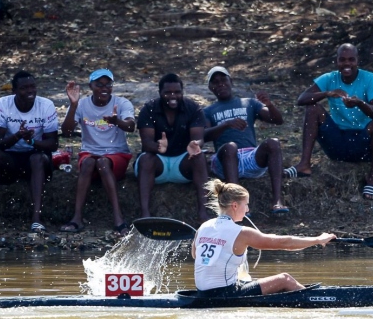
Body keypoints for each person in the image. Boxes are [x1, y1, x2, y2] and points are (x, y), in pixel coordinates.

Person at [192, 179, 336, 297]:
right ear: (235, 205)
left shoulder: (203, 227)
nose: (247, 210)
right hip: (225, 294)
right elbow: (284, 243)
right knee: (284, 279)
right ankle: (317, 302)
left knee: (248, 280)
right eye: (246, 205)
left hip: (203, 294)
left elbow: (195, 255)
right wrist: (318, 239)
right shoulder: (242, 233)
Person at [288, 43, 373, 201]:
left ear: (357, 60)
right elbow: (301, 100)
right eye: (342, 60)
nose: (347, 64)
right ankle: (304, 164)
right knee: (312, 109)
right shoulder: (330, 78)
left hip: (362, 144)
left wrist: (360, 103)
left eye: (351, 59)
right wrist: (328, 92)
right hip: (337, 142)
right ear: (337, 61)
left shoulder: (370, 79)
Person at [0, 70, 59, 232]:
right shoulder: (1, 104)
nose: (30, 91)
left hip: (36, 158)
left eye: (33, 87)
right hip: (11, 158)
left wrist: (31, 141)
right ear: (14, 91)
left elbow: (53, 144)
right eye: (24, 88)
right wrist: (18, 135)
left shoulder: (46, 105)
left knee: (37, 159)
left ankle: (36, 219)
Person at [203, 66, 290, 214]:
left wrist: (269, 105)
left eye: (223, 79)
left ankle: (277, 201)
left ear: (231, 81)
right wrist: (226, 125)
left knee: (273, 142)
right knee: (230, 147)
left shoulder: (249, 103)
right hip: (226, 161)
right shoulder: (208, 111)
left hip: (251, 158)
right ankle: (236, 203)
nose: (220, 84)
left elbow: (277, 120)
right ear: (211, 88)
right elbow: (203, 135)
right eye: (215, 82)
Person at [60, 69, 136, 236]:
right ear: (90, 86)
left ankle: (118, 219)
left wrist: (117, 121)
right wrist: (73, 105)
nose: (104, 88)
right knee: (88, 162)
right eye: (99, 85)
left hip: (116, 155)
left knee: (102, 162)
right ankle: (77, 218)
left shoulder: (121, 103)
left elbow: (131, 127)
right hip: (90, 155)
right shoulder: (81, 104)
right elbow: (66, 132)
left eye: (108, 84)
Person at [134, 73, 211, 224]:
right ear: (160, 93)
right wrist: (157, 147)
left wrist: (195, 144)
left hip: (182, 161)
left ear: (182, 92)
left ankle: (203, 214)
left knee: (200, 156)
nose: (172, 96)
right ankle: (145, 214)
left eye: (177, 92)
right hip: (158, 162)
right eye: (167, 92)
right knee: (146, 158)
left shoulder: (193, 108)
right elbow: (146, 141)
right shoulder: (149, 109)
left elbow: (199, 137)